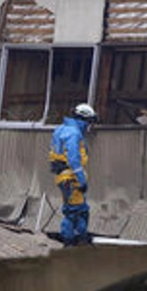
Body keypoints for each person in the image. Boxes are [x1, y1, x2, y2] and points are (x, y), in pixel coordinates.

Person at [49, 103, 96, 246]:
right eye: (90, 122)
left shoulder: (61, 130)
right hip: (72, 178)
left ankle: (78, 239)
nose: (90, 126)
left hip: (63, 176)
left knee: (78, 209)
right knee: (76, 212)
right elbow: (74, 159)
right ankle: (71, 242)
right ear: (85, 120)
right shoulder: (74, 133)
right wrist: (82, 180)